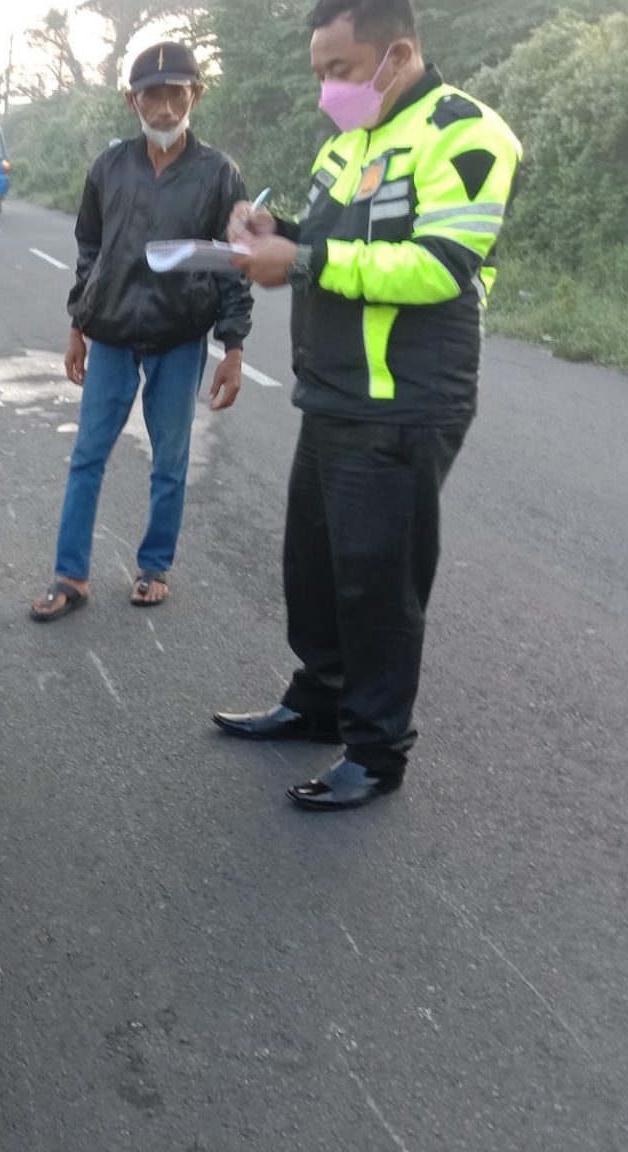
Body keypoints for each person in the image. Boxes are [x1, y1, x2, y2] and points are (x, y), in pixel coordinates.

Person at [217, 0, 522, 811]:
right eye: (319, 71)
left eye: (340, 70)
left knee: (379, 583)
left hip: (405, 402)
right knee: (314, 565)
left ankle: (377, 749)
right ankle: (319, 701)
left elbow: (442, 265)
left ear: (397, 55)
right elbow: (323, 236)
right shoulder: (348, 144)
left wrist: (305, 260)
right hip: (335, 393)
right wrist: (269, 228)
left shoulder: (467, 133)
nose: (329, 88)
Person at [31, 40, 252, 622]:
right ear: (133, 102)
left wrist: (234, 346)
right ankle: (70, 575)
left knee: (170, 458)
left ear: (195, 96)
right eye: (151, 96)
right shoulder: (109, 168)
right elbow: (89, 248)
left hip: (180, 337)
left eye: (175, 94)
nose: (162, 107)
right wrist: (78, 323)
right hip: (111, 333)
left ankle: (154, 567)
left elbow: (235, 259)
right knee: (87, 455)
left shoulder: (219, 173)